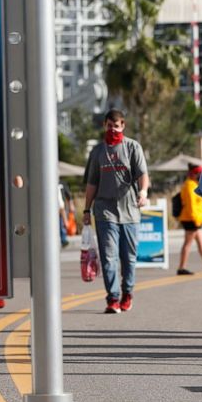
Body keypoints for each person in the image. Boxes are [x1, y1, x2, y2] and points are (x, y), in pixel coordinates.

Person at [83, 109, 150, 314]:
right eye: (110, 126)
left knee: (128, 257)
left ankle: (127, 293)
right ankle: (112, 298)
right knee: (108, 256)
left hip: (130, 211)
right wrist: (86, 209)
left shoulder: (132, 147)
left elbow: (143, 174)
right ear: (104, 125)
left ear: (123, 126)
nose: (113, 129)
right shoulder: (97, 152)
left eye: (117, 126)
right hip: (105, 211)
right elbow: (92, 183)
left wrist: (144, 192)